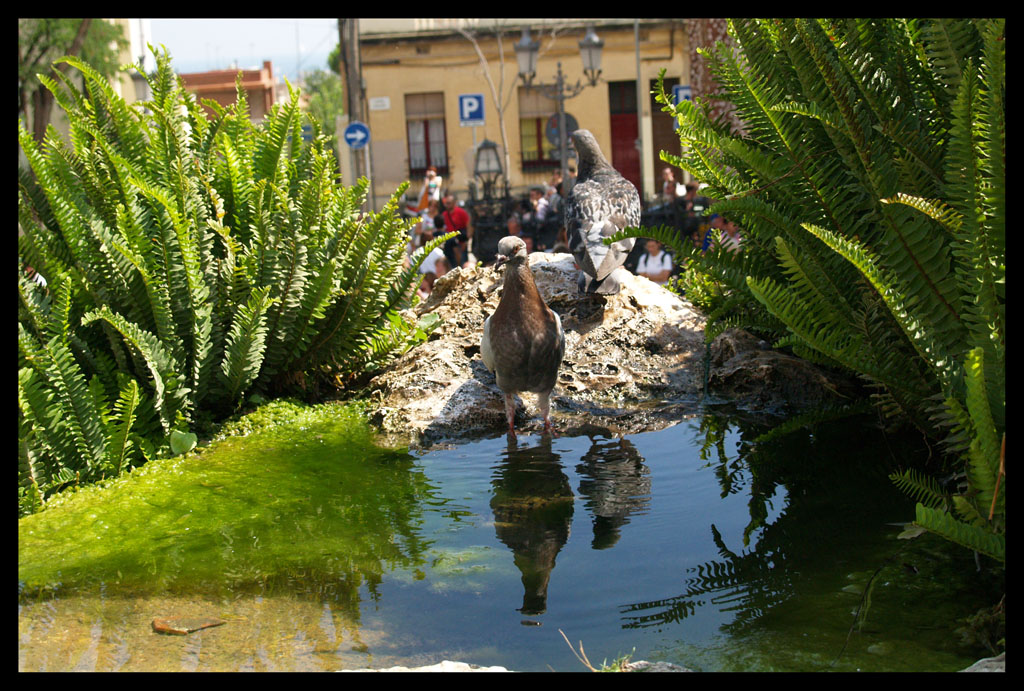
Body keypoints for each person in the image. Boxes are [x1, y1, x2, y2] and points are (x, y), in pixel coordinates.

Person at [441, 193, 472, 268]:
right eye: (446, 203)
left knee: (463, 263)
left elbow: (468, 225)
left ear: (454, 203)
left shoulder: (461, 212)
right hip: (450, 243)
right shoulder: (444, 214)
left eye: (449, 203)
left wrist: (466, 241)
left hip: (460, 242)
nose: (446, 205)